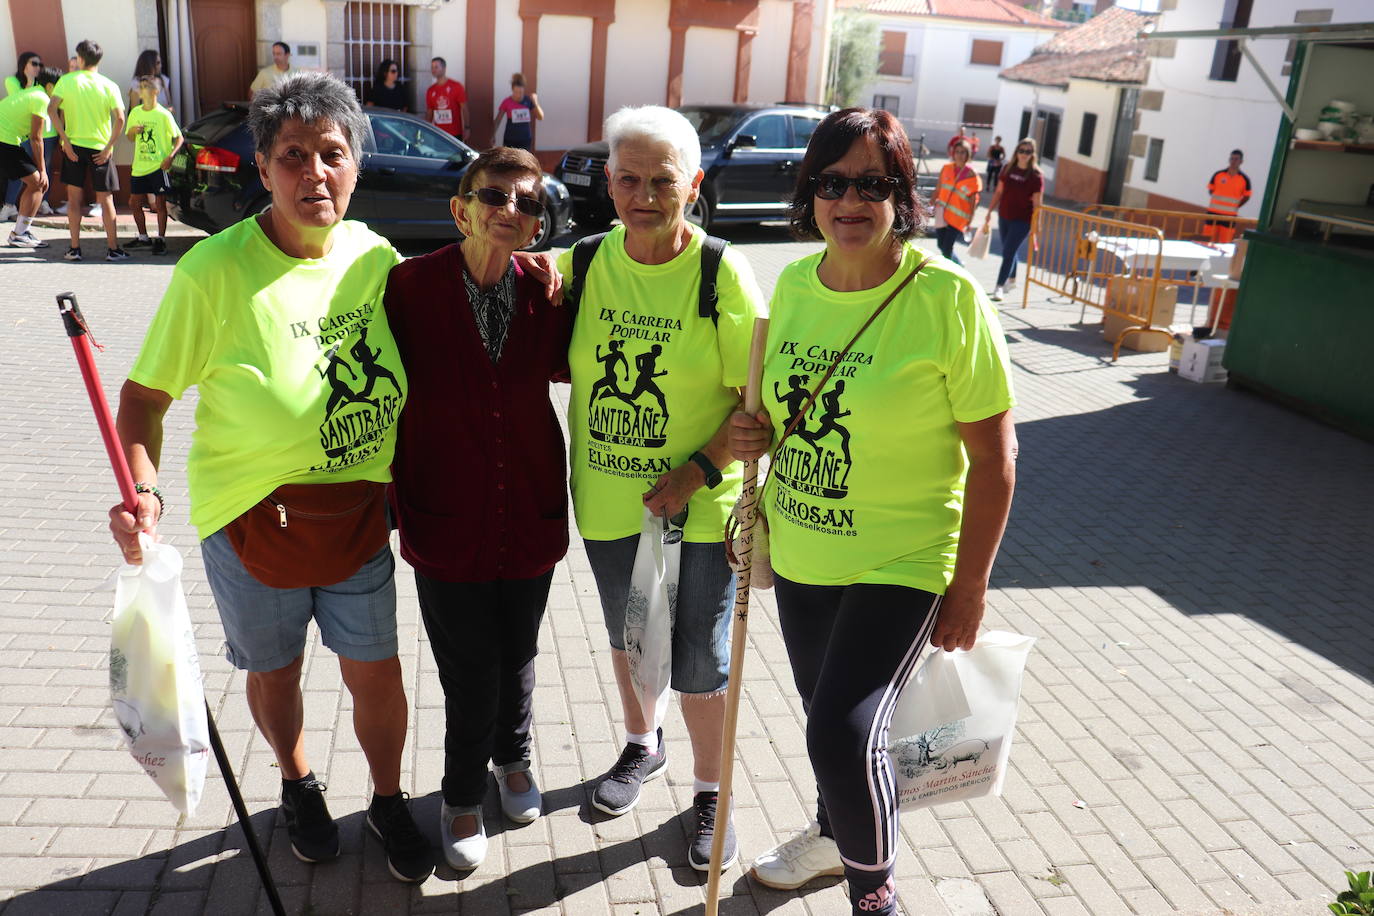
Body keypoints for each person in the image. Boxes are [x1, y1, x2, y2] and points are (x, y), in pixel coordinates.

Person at [107, 71, 434, 885]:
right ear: (263, 166)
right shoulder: (212, 273)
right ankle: (297, 784)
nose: (314, 174)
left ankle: (388, 799)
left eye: (332, 154)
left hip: (357, 514)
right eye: (294, 157)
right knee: (273, 670)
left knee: (377, 673)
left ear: (357, 163)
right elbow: (144, 399)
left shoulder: (375, 256)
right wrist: (142, 493)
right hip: (249, 519)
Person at [727, 107, 1017, 916]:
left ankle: (875, 899)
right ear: (809, 193)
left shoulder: (947, 300)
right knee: (831, 721)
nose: (850, 200)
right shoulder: (791, 285)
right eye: (832, 182)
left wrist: (970, 586)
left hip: (905, 558)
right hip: (802, 551)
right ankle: (832, 835)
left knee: (840, 734)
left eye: (872, 184)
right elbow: (779, 415)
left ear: (902, 196)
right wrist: (752, 431)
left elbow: (995, 460)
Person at [559, 104, 764, 871]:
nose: (645, 194)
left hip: (700, 508)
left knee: (700, 660)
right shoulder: (580, 262)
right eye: (629, 178)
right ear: (608, 183)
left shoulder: (718, 269)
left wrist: (700, 469)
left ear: (695, 184)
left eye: (663, 180)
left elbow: (758, 402)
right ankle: (643, 746)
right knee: (629, 636)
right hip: (610, 502)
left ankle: (714, 791)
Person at [384, 146, 572, 871]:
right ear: (460, 209)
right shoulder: (406, 287)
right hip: (445, 513)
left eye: (529, 204)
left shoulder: (545, 291)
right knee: (470, 668)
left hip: (527, 507)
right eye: (496, 196)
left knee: (520, 650)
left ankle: (513, 758)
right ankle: (461, 792)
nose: (512, 211)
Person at [48, 39, 126, 262]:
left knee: (73, 199)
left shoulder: (67, 80)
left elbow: (51, 109)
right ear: (99, 60)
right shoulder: (109, 85)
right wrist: (110, 147)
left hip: (74, 148)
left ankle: (74, 248)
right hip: (100, 149)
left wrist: (65, 141)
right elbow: (120, 118)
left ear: (80, 58)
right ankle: (113, 249)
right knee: (106, 200)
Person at [1, 65, 60, 247]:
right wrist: (43, 170)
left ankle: (20, 233)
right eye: (60, 87)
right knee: (38, 183)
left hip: (7, 140)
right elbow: (36, 138)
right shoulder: (41, 98)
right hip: (5, 140)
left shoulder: (33, 92)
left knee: (34, 184)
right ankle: (20, 234)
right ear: (50, 86)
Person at [124, 75, 183, 254]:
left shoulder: (163, 114)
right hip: (139, 166)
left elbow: (179, 138)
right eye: (141, 87)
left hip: (159, 166)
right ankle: (143, 237)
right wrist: (134, 130)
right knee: (134, 202)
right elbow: (129, 137)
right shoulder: (135, 113)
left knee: (159, 203)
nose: (142, 90)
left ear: (155, 91)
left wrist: (170, 157)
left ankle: (161, 239)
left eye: (146, 87)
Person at [980, 137, 1044, 302]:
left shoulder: (1036, 176)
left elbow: (1038, 203)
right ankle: (1013, 279)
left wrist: (1037, 225)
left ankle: (999, 286)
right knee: (1010, 249)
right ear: (1017, 152)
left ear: (1032, 154)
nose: (1024, 154)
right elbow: (999, 192)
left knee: (1007, 252)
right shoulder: (1008, 168)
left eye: (1028, 151)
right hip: (1004, 215)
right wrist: (989, 211)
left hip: (1023, 220)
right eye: (1021, 150)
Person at [932, 138, 980, 265]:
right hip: (941, 212)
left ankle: (950, 272)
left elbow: (973, 200)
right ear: (953, 153)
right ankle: (958, 264)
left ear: (968, 154)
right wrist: (931, 204)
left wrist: (970, 219)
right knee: (941, 245)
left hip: (957, 217)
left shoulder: (971, 174)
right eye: (957, 151)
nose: (959, 155)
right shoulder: (946, 168)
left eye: (963, 152)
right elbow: (938, 188)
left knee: (947, 248)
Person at [1204, 149, 1251, 243]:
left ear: (1241, 162)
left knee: (1225, 243)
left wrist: (1236, 206)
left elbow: (1247, 196)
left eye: (1236, 159)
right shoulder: (1218, 175)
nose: (1233, 161)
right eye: (1232, 158)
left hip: (1230, 216)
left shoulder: (1244, 179)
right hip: (1213, 213)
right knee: (1207, 240)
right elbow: (1211, 190)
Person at [494, 73, 542, 152]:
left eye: (521, 92)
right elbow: (498, 120)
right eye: (516, 92)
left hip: (525, 141)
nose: (519, 95)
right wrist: (493, 135)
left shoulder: (528, 100)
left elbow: (540, 117)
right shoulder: (507, 102)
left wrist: (536, 103)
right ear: (512, 90)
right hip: (510, 140)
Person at [425, 57, 467, 140]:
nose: (433, 70)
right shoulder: (431, 90)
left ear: (444, 68)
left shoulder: (456, 86)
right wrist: (426, 129)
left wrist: (467, 127)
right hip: (439, 133)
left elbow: (464, 108)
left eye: (436, 67)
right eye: (432, 67)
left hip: (455, 133)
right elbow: (430, 112)